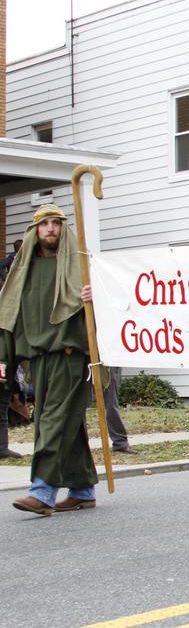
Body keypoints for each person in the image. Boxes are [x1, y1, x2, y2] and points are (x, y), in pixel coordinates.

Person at [0, 205, 99, 516]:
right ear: (35, 230)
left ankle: (42, 490)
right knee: (62, 419)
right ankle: (81, 488)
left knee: (52, 421)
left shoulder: (79, 268)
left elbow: (109, 306)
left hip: (70, 356)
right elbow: (10, 316)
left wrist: (95, 297)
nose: (51, 229)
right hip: (37, 360)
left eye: (57, 223)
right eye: (45, 224)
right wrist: (4, 358)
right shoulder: (23, 272)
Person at [103, 366, 136, 454]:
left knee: (111, 402)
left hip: (107, 361)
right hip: (83, 358)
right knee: (78, 403)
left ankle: (120, 443)